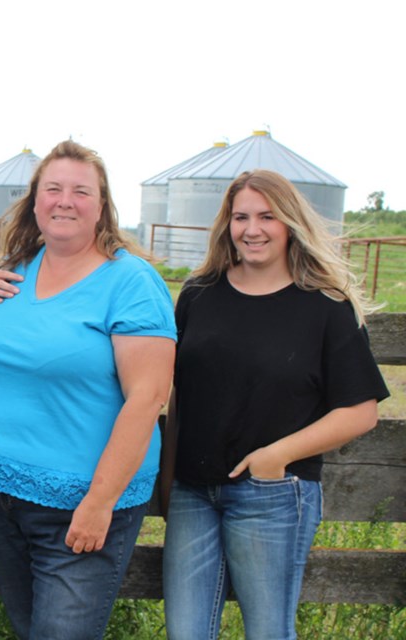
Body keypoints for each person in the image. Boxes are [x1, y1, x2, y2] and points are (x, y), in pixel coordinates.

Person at [0, 140, 176, 640]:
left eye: (81, 191)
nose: (65, 201)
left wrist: (100, 502)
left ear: (102, 207)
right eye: (52, 188)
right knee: (27, 627)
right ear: (34, 201)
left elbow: (147, 399)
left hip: (82, 503)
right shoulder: (14, 270)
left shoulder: (131, 282)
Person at [161, 170, 389, 640]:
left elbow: (361, 410)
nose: (252, 229)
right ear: (227, 224)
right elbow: (174, 389)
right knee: (185, 633)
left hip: (273, 493)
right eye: (240, 217)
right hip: (193, 492)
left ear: (290, 223)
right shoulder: (199, 293)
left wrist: (274, 457)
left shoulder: (325, 306)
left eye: (267, 216)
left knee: (267, 633)